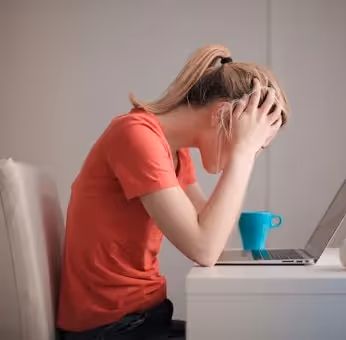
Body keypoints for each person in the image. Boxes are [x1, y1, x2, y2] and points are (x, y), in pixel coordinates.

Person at [57, 44, 289, 340]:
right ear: (221, 115)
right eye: (256, 141)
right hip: (112, 329)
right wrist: (241, 155)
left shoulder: (174, 152)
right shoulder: (136, 136)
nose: (254, 151)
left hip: (144, 318)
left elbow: (214, 237)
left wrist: (243, 153)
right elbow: (204, 249)